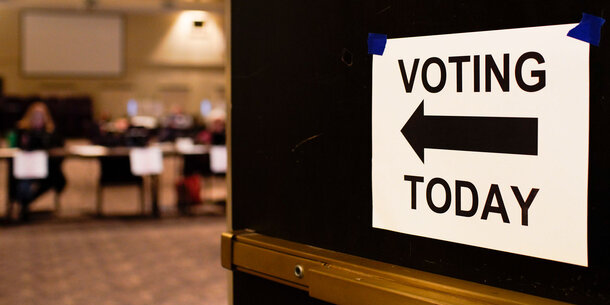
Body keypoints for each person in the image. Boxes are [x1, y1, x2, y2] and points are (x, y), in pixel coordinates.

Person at [14, 102, 66, 221]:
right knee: (23, 185)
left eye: (40, 116)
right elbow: (17, 149)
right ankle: (23, 207)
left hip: (47, 168)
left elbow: (59, 148)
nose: (38, 119)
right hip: (27, 167)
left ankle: (26, 204)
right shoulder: (23, 131)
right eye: (35, 116)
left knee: (52, 179)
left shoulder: (51, 132)